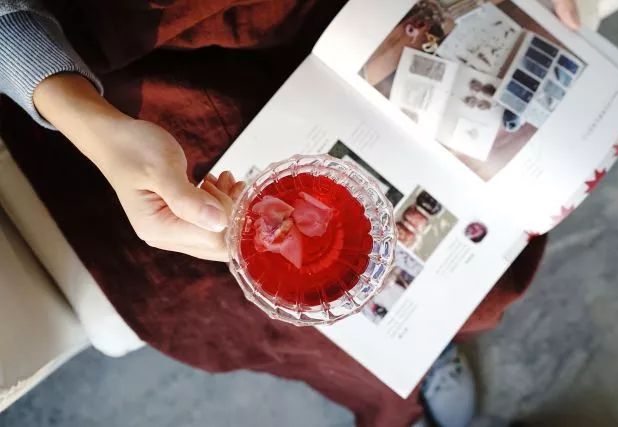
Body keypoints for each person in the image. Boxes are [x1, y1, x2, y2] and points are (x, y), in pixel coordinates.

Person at [0, 1, 576, 425]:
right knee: (239, 304)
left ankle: (421, 350)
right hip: (115, 63)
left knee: (478, 282)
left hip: (337, 18)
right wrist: (89, 122)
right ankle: (397, 390)